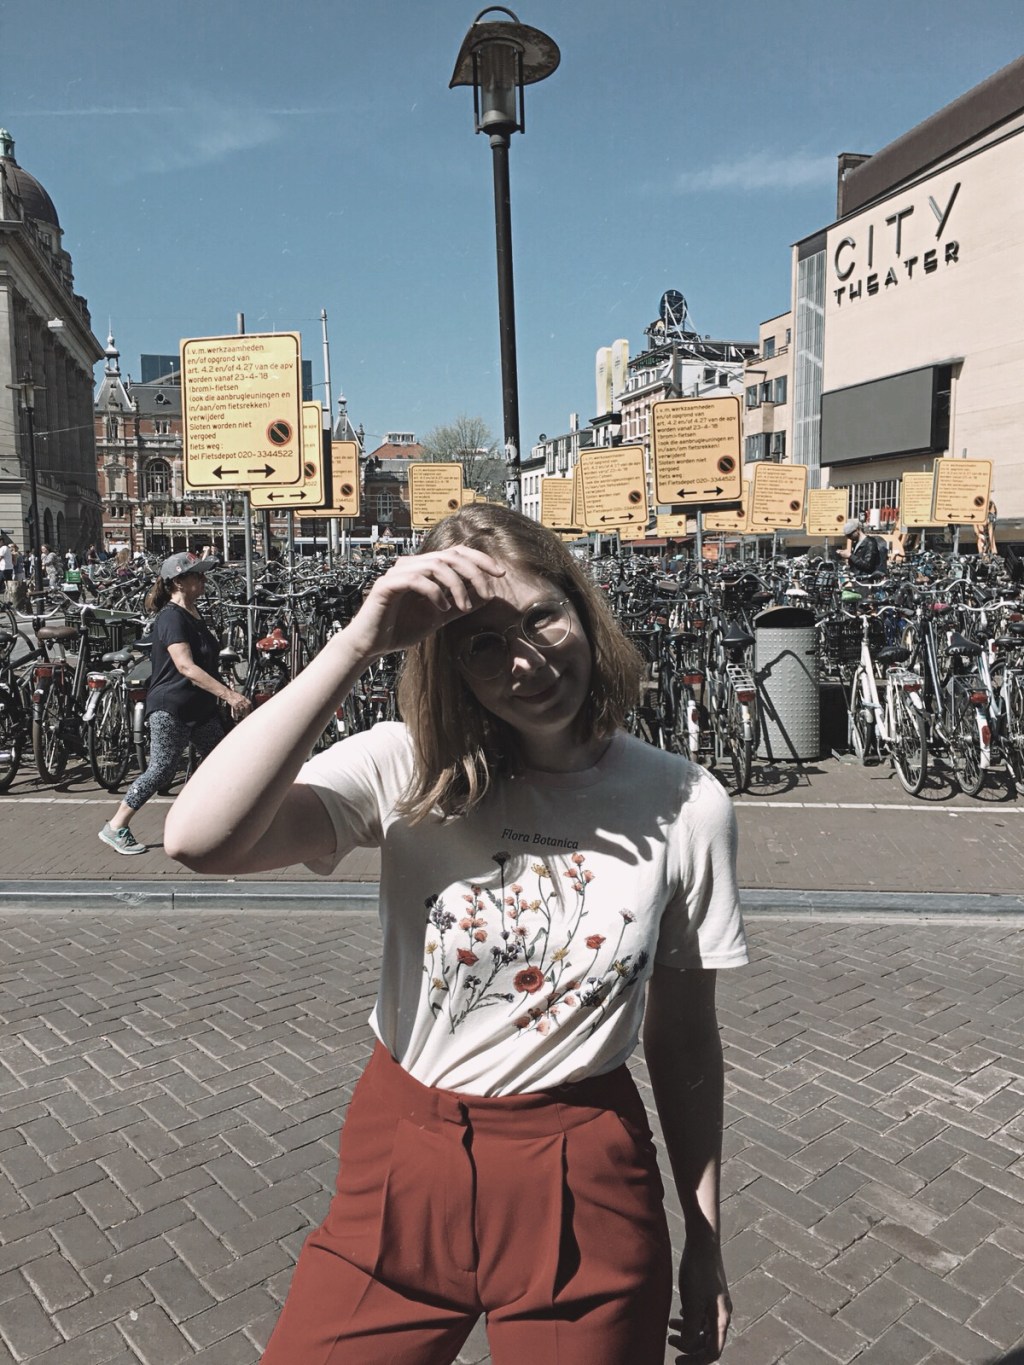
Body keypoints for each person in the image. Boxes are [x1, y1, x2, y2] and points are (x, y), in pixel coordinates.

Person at [164, 505, 748, 1364]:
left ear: (581, 607)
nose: (529, 660)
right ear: (450, 669)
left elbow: (687, 1040)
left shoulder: (687, 801)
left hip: (583, 1176)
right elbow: (199, 838)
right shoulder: (408, 766)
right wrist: (359, 641)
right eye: (482, 644)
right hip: (402, 1156)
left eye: (543, 615)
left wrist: (705, 1236)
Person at [98, 550, 251, 855]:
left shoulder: (194, 613)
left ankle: (218, 823)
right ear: (179, 581)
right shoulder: (170, 617)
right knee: (162, 769)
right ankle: (116, 826)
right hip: (173, 707)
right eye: (197, 575)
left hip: (199, 708)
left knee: (223, 762)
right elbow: (185, 667)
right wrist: (230, 695)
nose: (204, 579)